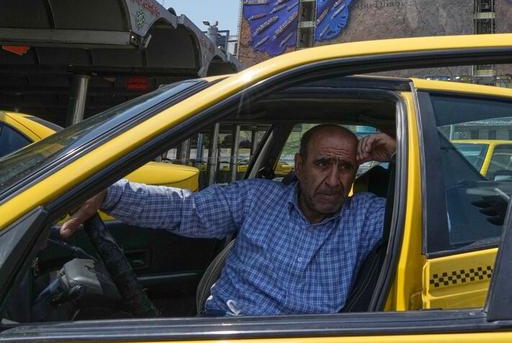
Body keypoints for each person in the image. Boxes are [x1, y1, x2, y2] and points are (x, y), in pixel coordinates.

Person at [59, 124, 397, 317]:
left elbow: (432, 210)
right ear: (298, 166)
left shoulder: (366, 216)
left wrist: (397, 152)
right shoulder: (257, 198)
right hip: (224, 328)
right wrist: (110, 192)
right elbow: (185, 210)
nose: (335, 181)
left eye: (346, 168)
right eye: (322, 164)